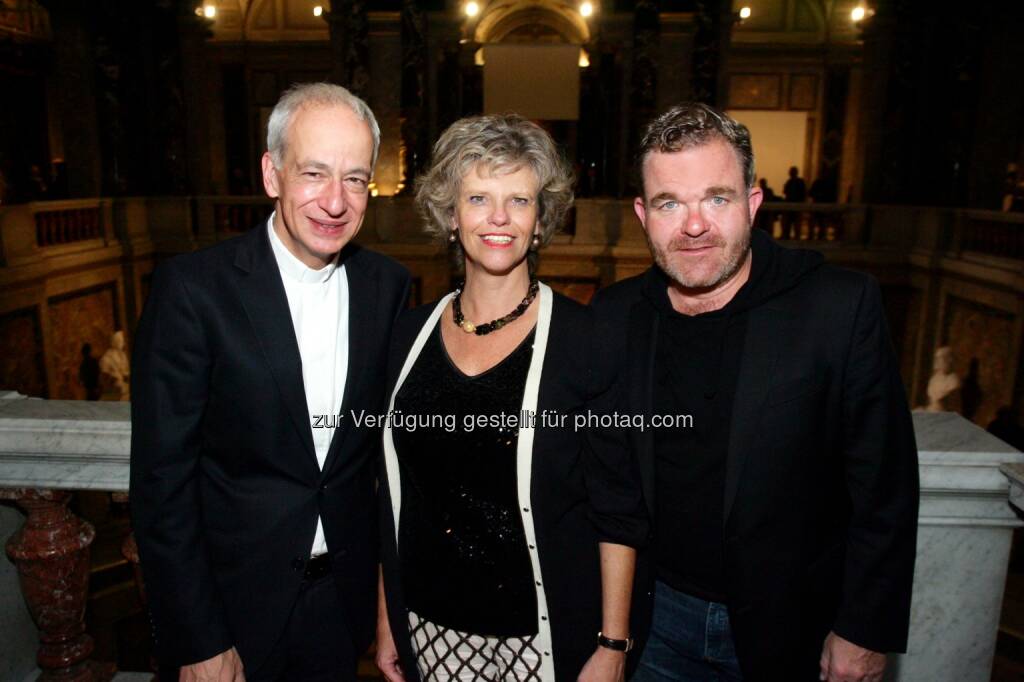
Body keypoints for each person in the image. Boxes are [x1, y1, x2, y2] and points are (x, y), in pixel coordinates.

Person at [591, 103, 919, 681]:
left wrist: (864, 631)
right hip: (655, 626)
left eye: (717, 198)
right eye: (670, 203)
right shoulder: (617, 316)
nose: (694, 225)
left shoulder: (837, 308)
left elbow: (884, 488)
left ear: (752, 202)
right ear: (644, 214)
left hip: (796, 632)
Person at [130, 82, 410, 681]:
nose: (336, 201)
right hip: (229, 614)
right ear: (271, 174)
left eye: (356, 178)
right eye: (314, 173)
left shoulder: (389, 287)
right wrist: (199, 639)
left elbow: (382, 468)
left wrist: (389, 610)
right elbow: (162, 485)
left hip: (341, 610)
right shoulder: (193, 290)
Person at [375, 114, 648, 682]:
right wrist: (387, 618)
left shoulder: (586, 340)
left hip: (544, 638)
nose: (498, 217)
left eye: (519, 200)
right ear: (452, 216)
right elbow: (393, 497)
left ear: (540, 221)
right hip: (426, 629)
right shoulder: (406, 336)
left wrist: (614, 644)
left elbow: (616, 506)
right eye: (478, 197)